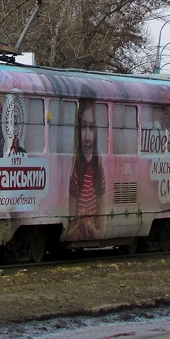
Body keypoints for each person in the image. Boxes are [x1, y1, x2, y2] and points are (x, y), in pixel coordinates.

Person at [68, 101, 106, 240]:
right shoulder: (75, 171)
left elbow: (101, 232)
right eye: (84, 127)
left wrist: (90, 228)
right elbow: (69, 231)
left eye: (92, 128)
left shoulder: (98, 169)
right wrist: (80, 226)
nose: (87, 138)